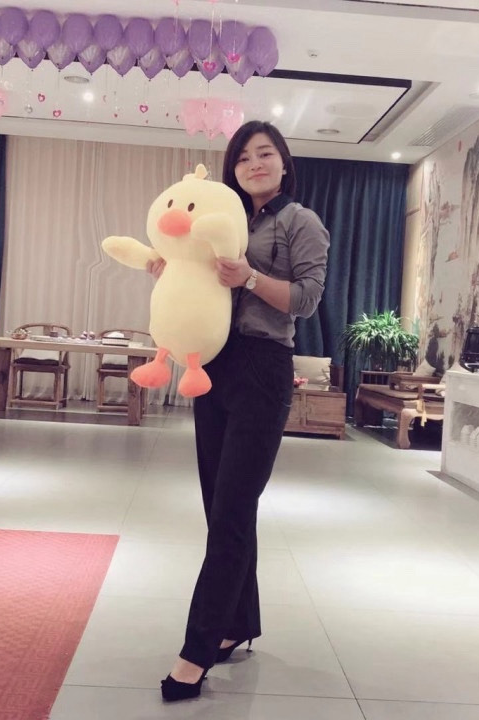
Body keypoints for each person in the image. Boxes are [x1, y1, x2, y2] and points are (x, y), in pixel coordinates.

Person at [151, 120, 330, 701]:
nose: (254, 164)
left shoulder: (301, 222)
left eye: (265, 154)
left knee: (230, 510)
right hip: (214, 364)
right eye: (244, 156)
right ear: (232, 168)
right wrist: (172, 267)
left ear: (284, 163)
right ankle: (238, 622)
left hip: (263, 367)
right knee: (222, 506)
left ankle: (196, 651)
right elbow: (198, 278)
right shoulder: (218, 212)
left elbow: (306, 299)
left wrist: (251, 277)